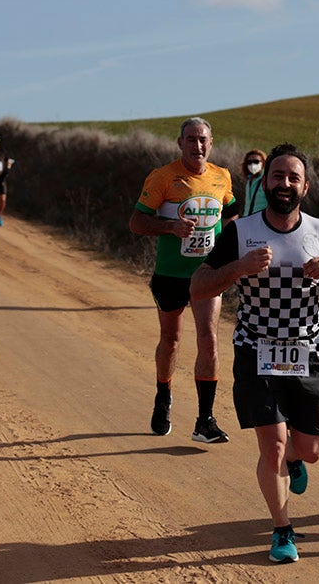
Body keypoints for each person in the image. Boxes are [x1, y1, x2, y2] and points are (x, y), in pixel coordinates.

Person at [191, 143, 319, 563]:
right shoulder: (240, 232)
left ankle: (296, 456)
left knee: (309, 450)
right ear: (264, 182)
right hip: (256, 349)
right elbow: (198, 287)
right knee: (270, 447)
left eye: (293, 178)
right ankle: (282, 529)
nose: (284, 184)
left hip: (307, 352)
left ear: (305, 187)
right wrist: (240, 267)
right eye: (277, 176)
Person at [130, 117, 238, 444]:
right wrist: (170, 228)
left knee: (209, 340)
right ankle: (163, 394)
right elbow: (136, 222)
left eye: (203, 139)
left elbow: (231, 211)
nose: (198, 146)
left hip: (207, 274)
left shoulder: (222, 176)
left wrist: (229, 244)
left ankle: (205, 421)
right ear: (180, 143)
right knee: (172, 340)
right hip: (170, 274)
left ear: (211, 142)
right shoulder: (163, 177)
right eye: (191, 139)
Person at [240, 148, 268, 216]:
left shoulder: (267, 180)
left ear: (263, 162)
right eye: (249, 162)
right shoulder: (249, 181)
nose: (252, 165)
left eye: (256, 161)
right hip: (248, 220)